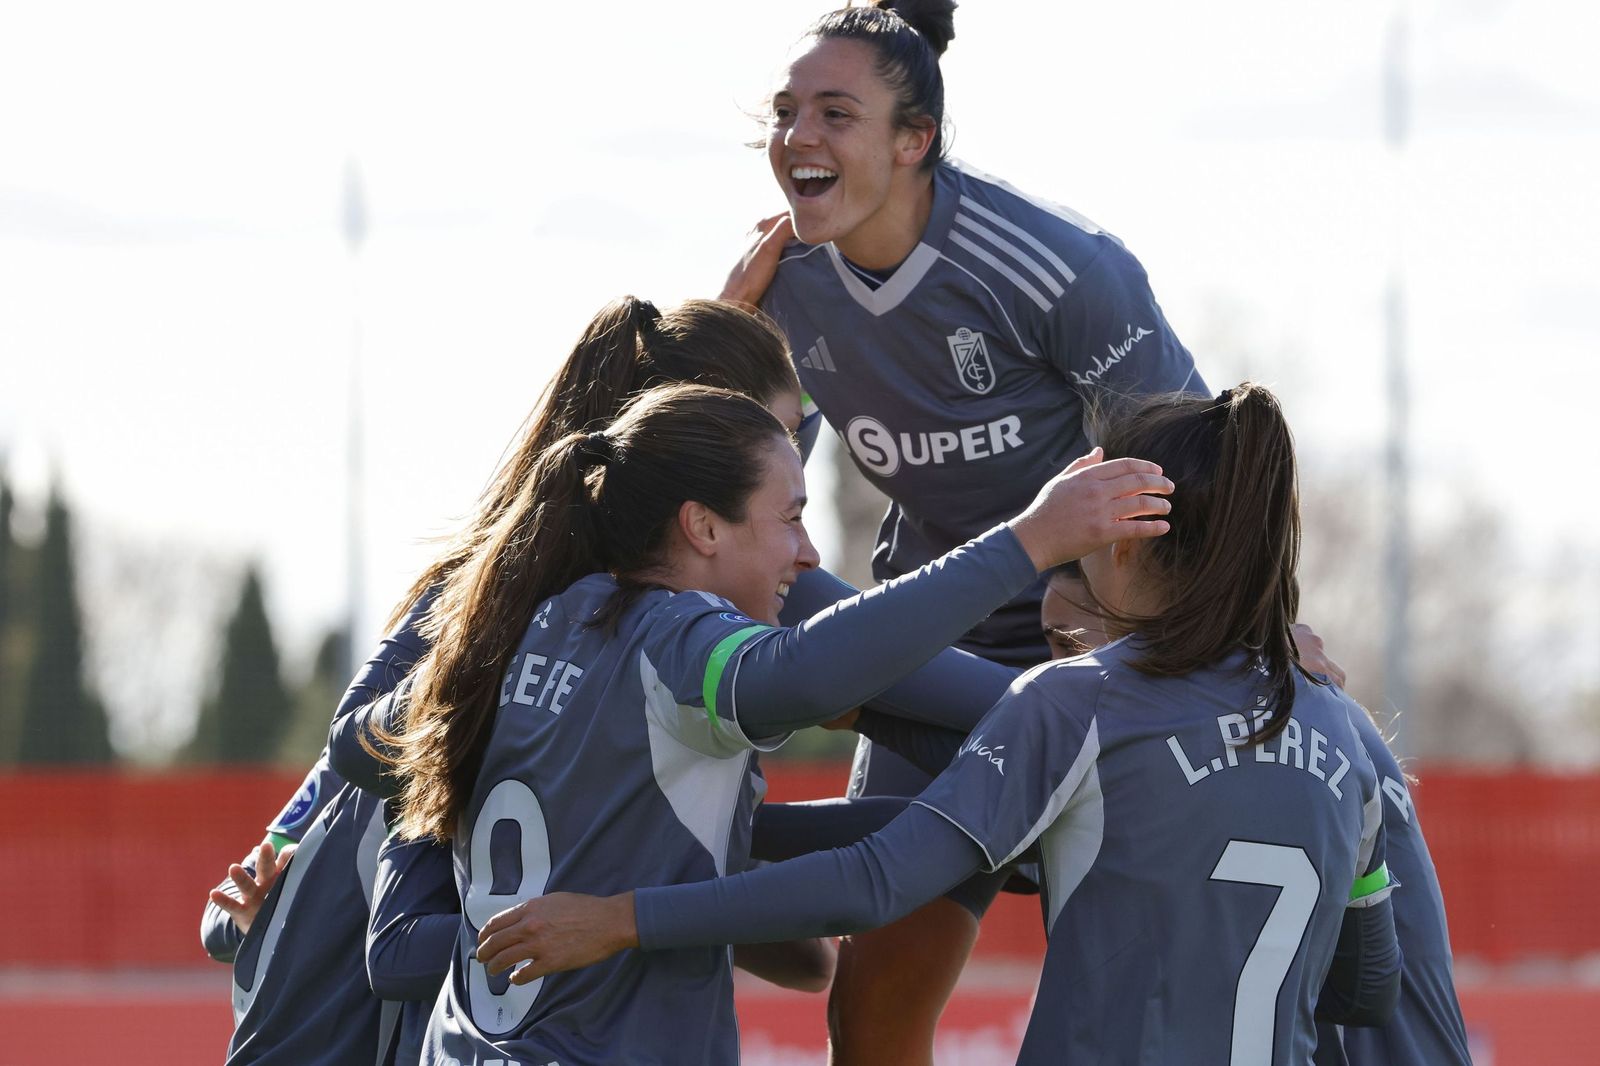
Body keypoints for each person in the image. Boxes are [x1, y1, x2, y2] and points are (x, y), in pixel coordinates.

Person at [473, 384, 1402, 1065]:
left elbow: (872, 885)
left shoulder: (1076, 702)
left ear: (1117, 538)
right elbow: (1366, 990)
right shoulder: (1348, 738)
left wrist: (621, 918)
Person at [372, 381, 1170, 1064]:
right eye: (789, 518)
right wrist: (1030, 540)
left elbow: (681, 837)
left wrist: (985, 824)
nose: (809, 553)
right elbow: (804, 673)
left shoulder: (531, 620)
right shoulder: (674, 638)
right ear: (703, 527)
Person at [719, 3, 1210, 1053]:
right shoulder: (781, 287)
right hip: (929, 637)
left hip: (1092, 654)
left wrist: (1254, 633)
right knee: (871, 1010)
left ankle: (1043, 782)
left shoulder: (1059, 264)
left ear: (914, 140)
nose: (798, 134)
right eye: (786, 110)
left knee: (1139, 996)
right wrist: (723, 350)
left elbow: (1204, 472)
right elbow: (731, 525)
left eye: (835, 113)